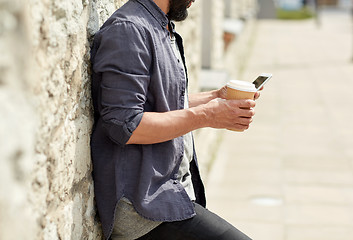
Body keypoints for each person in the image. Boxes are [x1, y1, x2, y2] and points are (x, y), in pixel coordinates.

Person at [90, 0, 259, 239]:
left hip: (169, 193)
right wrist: (208, 115)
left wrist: (214, 97)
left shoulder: (158, 25)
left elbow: (162, 101)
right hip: (144, 208)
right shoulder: (128, 30)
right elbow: (126, 125)